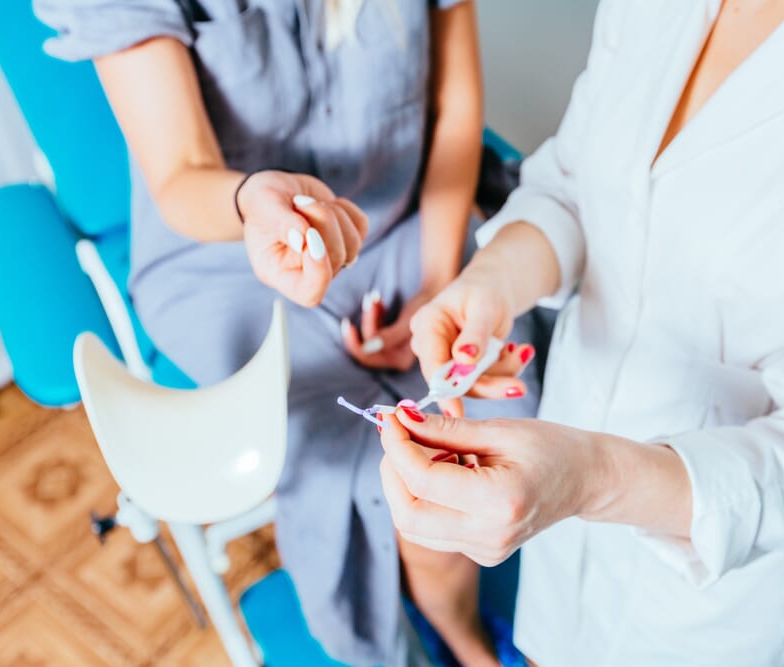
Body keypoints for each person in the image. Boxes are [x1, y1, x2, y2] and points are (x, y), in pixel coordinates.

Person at [376, 0, 784, 665]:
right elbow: (577, 182)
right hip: (568, 496)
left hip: (708, 589)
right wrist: (493, 280)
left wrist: (590, 477)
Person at [34, 0, 539, 665]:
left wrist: (433, 284)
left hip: (407, 219)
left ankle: (462, 630)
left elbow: (453, 108)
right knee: (355, 466)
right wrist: (252, 204)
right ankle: (429, 632)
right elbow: (182, 171)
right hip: (225, 254)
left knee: (472, 427)